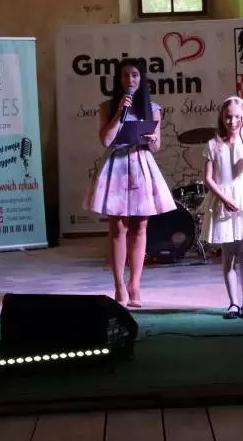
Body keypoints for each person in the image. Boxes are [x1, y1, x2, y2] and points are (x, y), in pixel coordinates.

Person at [84, 58, 176, 308]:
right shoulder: (108, 106)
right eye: (125, 75)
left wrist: (151, 139)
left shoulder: (152, 108)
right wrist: (119, 113)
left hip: (141, 163)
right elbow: (106, 140)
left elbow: (156, 146)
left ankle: (135, 283)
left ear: (141, 78)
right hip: (117, 165)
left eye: (134, 75)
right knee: (118, 226)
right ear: (119, 80)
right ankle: (119, 285)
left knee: (141, 226)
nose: (130, 80)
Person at [199, 96, 243, 320]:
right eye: (228, 116)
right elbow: (208, 179)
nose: (232, 121)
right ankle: (233, 303)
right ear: (222, 117)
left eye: (237, 117)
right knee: (228, 253)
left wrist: (241, 135)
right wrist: (223, 198)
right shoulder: (213, 144)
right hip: (224, 199)